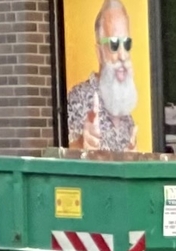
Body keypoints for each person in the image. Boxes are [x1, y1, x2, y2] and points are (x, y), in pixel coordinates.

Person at [65, 0, 140, 154]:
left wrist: (133, 158)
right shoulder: (77, 100)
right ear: (99, 53)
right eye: (113, 44)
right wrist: (81, 145)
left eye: (126, 44)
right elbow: (57, 161)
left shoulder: (126, 117)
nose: (122, 55)